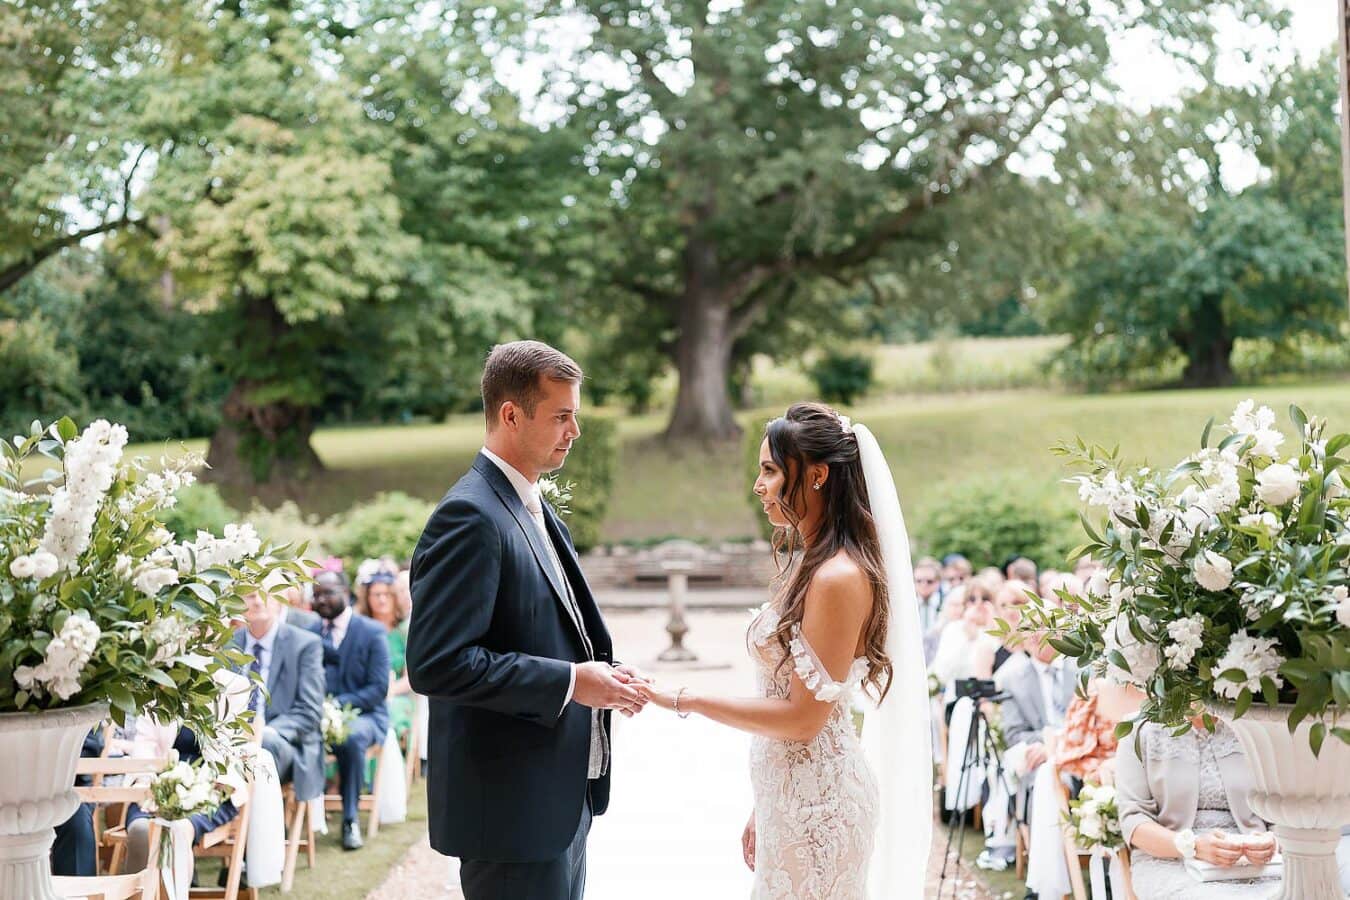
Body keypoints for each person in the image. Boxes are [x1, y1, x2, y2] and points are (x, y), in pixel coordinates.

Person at [641, 403, 932, 899]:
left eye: (771, 471)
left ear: (817, 475)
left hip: (821, 809)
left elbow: (803, 718)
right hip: (795, 797)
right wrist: (766, 802)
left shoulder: (837, 577)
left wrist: (684, 699)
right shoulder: (810, 562)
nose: (758, 485)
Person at [406, 340, 650, 900]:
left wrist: (603, 675)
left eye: (576, 415)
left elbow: (554, 629)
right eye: (562, 416)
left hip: (557, 803)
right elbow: (437, 664)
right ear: (511, 415)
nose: (575, 431)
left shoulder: (531, 507)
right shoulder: (469, 516)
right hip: (510, 818)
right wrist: (570, 683)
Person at [1116, 719, 1280, 898]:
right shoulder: (1138, 729)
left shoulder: (1258, 724)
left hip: (1261, 865)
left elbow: (1284, 809)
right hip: (1171, 859)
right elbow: (1134, 821)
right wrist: (1192, 846)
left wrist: (1273, 843)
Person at [307, 569, 389, 851]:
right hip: (316, 716)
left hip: (366, 715)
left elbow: (378, 689)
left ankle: (350, 819)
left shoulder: (372, 632)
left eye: (328, 593)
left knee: (351, 737)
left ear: (346, 593)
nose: (321, 600)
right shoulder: (307, 634)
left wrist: (337, 707)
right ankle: (295, 821)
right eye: (316, 595)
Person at [232, 582, 326, 803]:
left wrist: (262, 732)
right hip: (230, 740)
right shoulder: (228, 644)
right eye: (251, 596)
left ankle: (255, 830)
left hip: (284, 742)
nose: (258, 601)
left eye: (266, 594)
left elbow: (309, 711)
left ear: (280, 600)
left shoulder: (305, 644)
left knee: (262, 746)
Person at [355, 559, 415, 744]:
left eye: (387, 594)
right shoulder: (360, 629)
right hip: (363, 693)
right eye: (376, 594)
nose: (382, 599)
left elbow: (411, 678)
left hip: (395, 695)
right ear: (368, 597)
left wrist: (389, 691)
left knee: (391, 713)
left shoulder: (405, 631)